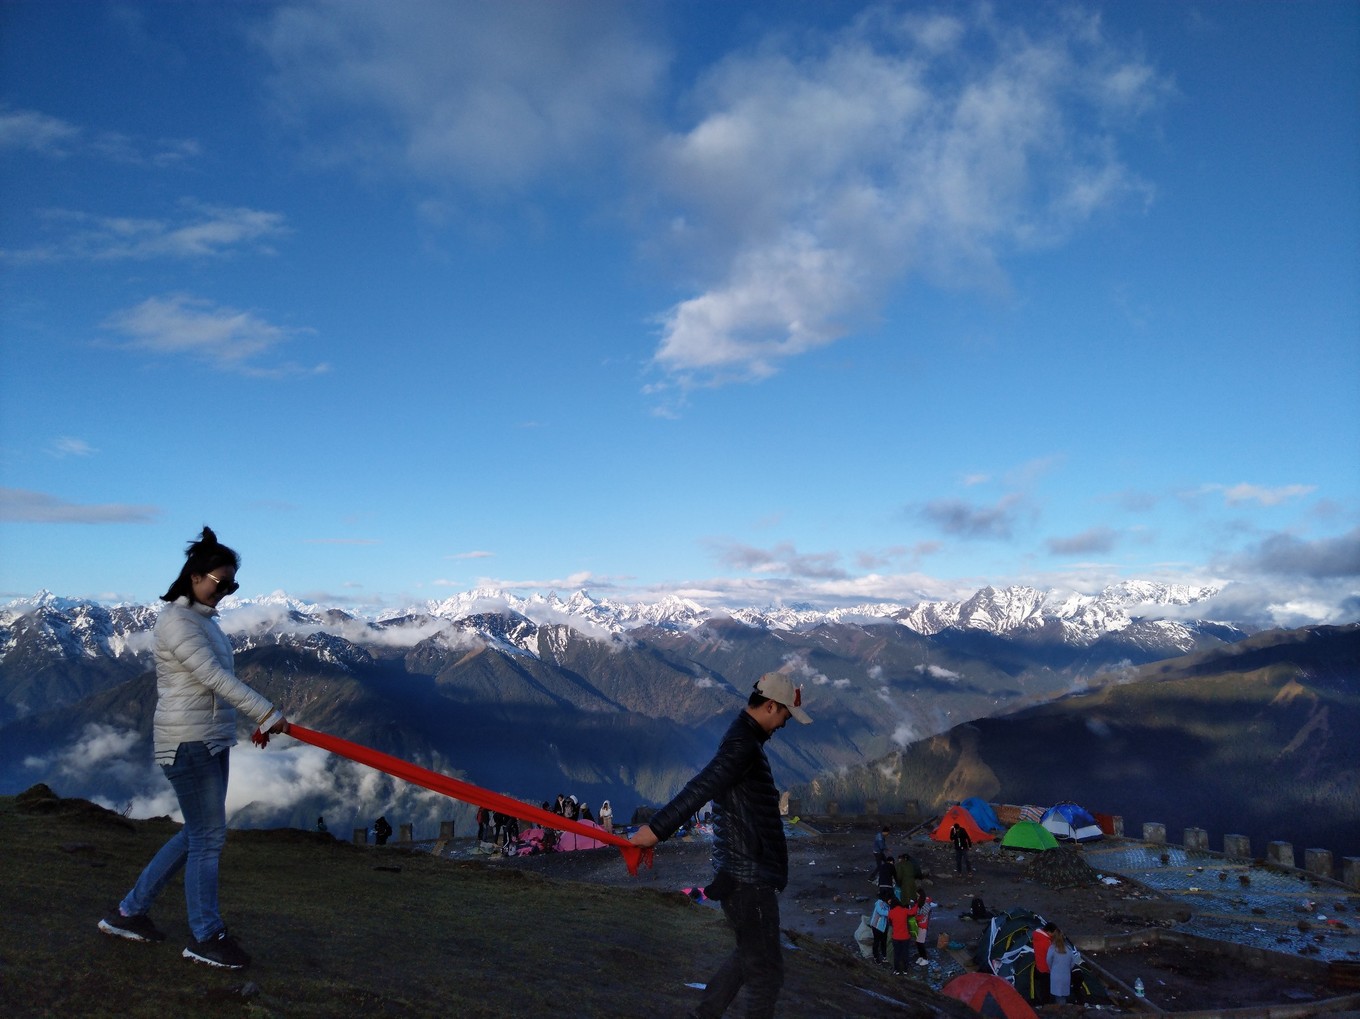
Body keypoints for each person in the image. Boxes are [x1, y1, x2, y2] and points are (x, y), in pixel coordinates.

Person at [96, 526, 289, 970]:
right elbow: (214, 678)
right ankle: (206, 935)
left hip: (209, 738)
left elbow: (217, 685)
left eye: (232, 585)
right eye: (221, 583)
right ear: (195, 576)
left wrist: (252, 719)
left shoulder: (202, 622)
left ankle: (128, 912)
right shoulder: (177, 623)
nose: (226, 592)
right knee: (207, 838)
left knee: (197, 833)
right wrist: (265, 712)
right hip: (188, 742)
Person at [629, 671, 812, 1019]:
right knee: (767, 973)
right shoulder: (743, 745)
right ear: (771, 706)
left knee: (749, 957)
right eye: (785, 714)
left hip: (743, 871)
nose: (785, 723)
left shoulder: (745, 738)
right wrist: (656, 830)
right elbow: (703, 785)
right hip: (747, 877)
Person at [887, 896, 915, 975]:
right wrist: (916, 904)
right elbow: (912, 912)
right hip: (905, 937)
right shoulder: (904, 910)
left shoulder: (891, 912)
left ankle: (897, 970)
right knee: (905, 953)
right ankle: (905, 970)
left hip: (896, 937)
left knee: (897, 954)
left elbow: (890, 923)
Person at [1046, 929, 1076, 1004]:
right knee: (1063, 996)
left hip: (1055, 974)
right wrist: (1067, 969)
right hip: (1066, 975)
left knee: (1057, 996)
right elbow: (1073, 962)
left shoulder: (1052, 948)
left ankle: (1060, 1012)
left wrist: (1051, 969)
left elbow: (1048, 960)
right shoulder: (1069, 949)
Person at [1032, 920, 1055, 1003]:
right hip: (1046, 969)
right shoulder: (1046, 943)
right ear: (1049, 932)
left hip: (1039, 966)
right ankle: (1046, 1005)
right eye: (1053, 933)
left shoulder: (1036, 936)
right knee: (1046, 989)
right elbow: (1052, 957)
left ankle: (1042, 1002)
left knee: (1042, 987)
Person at [912, 889, 934, 966]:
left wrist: (914, 916)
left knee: (920, 943)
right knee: (918, 943)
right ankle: (921, 956)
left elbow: (920, 917)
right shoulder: (918, 904)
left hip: (923, 927)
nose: (917, 897)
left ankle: (925, 958)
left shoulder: (925, 906)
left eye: (918, 896)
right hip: (918, 926)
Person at [869, 894, 891, 965]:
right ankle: (876, 957)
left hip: (884, 927)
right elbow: (881, 912)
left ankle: (884, 956)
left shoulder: (888, 905)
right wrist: (892, 913)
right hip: (876, 926)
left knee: (883, 942)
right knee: (876, 942)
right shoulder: (879, 903)